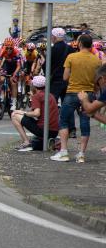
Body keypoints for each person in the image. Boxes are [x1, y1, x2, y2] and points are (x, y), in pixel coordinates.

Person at [51, 34, 101, 163]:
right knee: (85, 122)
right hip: (88, 93)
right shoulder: (96, 61)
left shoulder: (71, 57)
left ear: (79, 44)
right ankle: (81, 154)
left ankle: (64, 151)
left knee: (64, 120)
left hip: (72, 92)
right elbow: (97, 81)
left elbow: (65, 77)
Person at [11, 75, 59, 151]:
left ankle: (26, 142)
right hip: (54, 131)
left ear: (34, 86)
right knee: (35, 142)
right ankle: (50, 142)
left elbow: (36, 113)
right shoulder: (50, 95)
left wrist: (23, 112)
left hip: (44, 129)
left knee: (15, 115)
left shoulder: (37, 96)